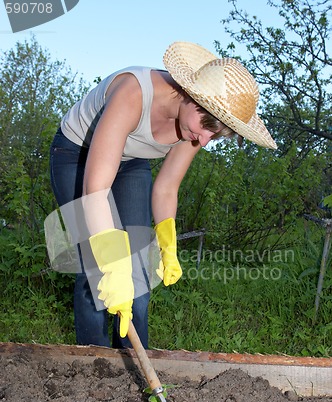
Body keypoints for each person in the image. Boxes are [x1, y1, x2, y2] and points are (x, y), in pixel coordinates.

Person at [49, 41, 276, 350]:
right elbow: (95, 191)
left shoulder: (194, 128)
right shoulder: (133, 93)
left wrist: (166, 240)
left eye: (217, 134)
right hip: (76, 154)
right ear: (191, 96)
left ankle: (134, 368)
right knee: (98, 267)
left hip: (131, 162)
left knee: (138, 269)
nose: (205, 141)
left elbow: (167, 186)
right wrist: (111, 262)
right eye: (207, 127)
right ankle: (94, 367)